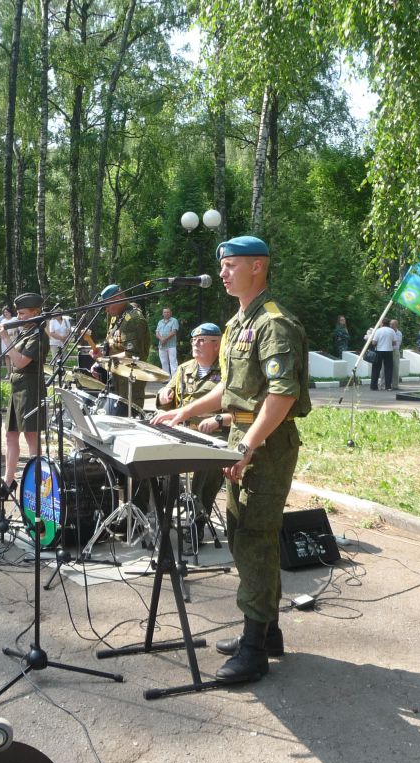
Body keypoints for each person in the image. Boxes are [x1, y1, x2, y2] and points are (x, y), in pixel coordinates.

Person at [153, 235, 310, 685]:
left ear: (258, 267)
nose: (222, 272)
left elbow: (282, 396)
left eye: (231, 265)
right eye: (222, 265)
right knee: (244, 534)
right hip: (242, 438)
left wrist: (246, 447)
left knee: (254, 539)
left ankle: (254, 651)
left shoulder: (274, 324)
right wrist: (185, 410)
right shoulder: (238, 323)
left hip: (266, 443)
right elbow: (230, 388)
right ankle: (267, 632)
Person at [156, 322, 228, 519]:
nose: (195, 343)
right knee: (153, 457)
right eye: (194, 340)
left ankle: (197, 518)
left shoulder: (226, 370)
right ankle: (162, 512)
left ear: (217, 344)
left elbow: (237, 409)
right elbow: (166, 396)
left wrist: (218, 420)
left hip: (214, 435)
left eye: (201, 340)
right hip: (185, 431)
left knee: (208, 468)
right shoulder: (184, 369)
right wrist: (164, 395)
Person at [0, 293, 49, 494]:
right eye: (18, 313)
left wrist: (5, 337)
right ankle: (8, 481)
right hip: (17, 387)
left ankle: (38, 484)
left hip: (30, 388)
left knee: (31, 435)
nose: (18, 317)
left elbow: (19, 362)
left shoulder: (38, 335)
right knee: (10, 435)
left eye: (23, 313)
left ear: (35, 313)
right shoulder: (25, 332)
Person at [90, 284, 150, 411]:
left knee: (127, 417)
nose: (106, 310)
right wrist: (100, 360)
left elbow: (133, 355)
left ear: (118, 298)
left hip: (129, 383)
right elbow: (112, 345)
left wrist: (104, 360)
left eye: (107, 305)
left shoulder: (133, 320)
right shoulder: (117, 318)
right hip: (116, 378)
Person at [368, 320, 397, 390]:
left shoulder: (378, 331)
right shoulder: (392, 331)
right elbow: (394, 343)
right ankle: (388, 386)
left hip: (379, 351)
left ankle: (374, 386)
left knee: (376, 369)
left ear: (382, 323)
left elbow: (374, 342)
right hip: (389, 351)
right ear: (388, 324)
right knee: (388, 369)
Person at [155, 307, 180, 376]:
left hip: (171, 345)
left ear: (171, 313)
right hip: (162, 346)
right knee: (164, 363)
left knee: (173, 362)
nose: (166, 313)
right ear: (163, 313)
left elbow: (174, 332)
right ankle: (167, 378)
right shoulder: (160, 322)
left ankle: (174, 379)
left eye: (168, 312)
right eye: (165, 312)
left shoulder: (174, 320)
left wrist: (164, 339)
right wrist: (161, 339)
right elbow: (157, 332)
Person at [389, 318, 403, 390]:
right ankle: (386, 384)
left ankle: (395, 385)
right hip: (388, 350)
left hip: (395, 351)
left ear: (396, 325)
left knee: (395, 368)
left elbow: (396, 343)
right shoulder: (388, 331)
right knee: (386, 368)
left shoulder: (399, 333)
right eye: (390, 324)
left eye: (392, 324)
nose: (390, 325)